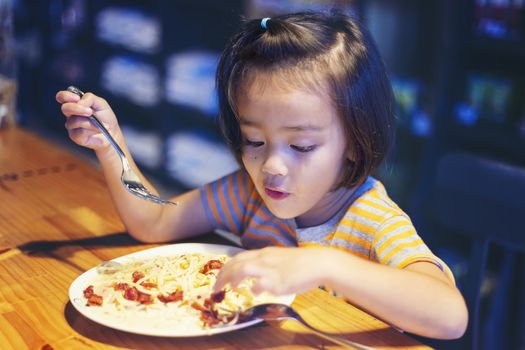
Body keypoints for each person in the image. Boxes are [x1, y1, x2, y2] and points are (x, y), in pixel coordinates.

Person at [56, 11, 467, 339]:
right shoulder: (247, 194)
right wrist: (111, 147)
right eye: (254, 141)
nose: (271, 166)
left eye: (302, 147)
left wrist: (325, 264)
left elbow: (449, 316)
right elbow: (155, 221)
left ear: (355, 143)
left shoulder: (375, 221)